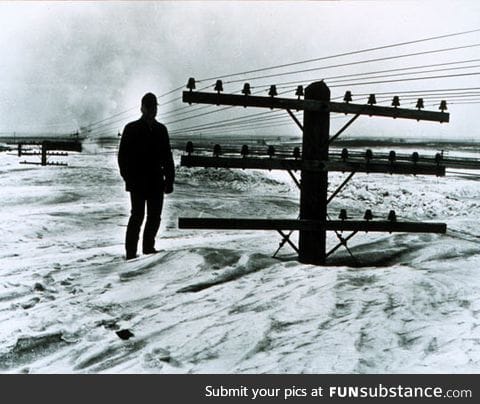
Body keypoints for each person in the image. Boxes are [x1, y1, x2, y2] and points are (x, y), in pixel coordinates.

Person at [118, 92, 175, 260]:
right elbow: (123, 158)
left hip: (156, 181)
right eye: (149, 107)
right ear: (142, 108)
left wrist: (169, 180)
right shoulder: (131, 128)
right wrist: (129, 178)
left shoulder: (161, 130)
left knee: (154, 217)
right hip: (138, 182)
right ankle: (130, 254)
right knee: (137, 216)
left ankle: (148, 248)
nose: (152, 110)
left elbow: (167, 157)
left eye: (154, 107)